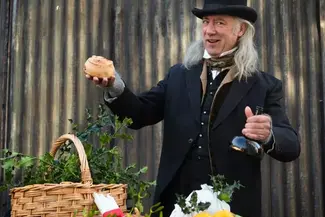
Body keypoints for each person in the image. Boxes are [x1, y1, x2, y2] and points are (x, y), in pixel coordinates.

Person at [86, 0, 301, 216]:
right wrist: (114, 85)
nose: (209, 31)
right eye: (206, 22)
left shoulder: (265, 85)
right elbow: (140, 113)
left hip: (233, 206)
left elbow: (291, 145)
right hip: (175, 203)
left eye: (219, 23)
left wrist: (269, 135)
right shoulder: (179, 75)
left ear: (241, 30)